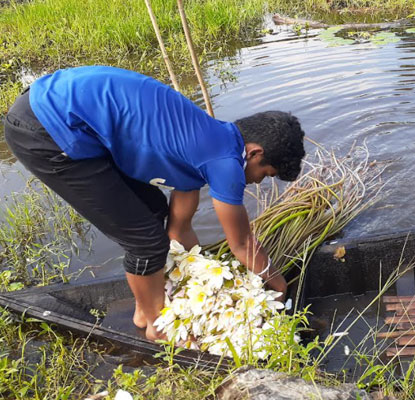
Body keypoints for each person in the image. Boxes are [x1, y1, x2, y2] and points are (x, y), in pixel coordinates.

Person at [2, 66, 305, 341]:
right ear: (253, 153)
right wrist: (278, 285)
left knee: (154, 211)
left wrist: (199, 281)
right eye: (266, 173)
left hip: (63, 108)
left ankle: (143, 309)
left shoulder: (207, 140)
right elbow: (241, 243)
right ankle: (157, 327)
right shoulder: (227, 163)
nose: (258, 182)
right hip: (47, 126)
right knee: (145, 242)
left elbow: (179, 230)